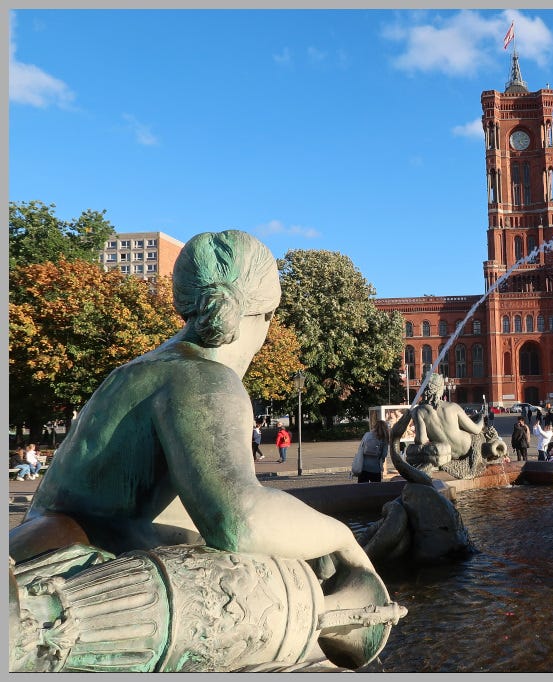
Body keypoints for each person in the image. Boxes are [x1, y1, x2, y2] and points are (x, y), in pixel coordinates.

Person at [10, 230, 397, 668]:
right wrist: (341, 537)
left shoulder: (139, 370)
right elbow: (240, 521)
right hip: (78, 597)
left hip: (43, 560)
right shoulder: (203, 379)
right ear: (266, 315)